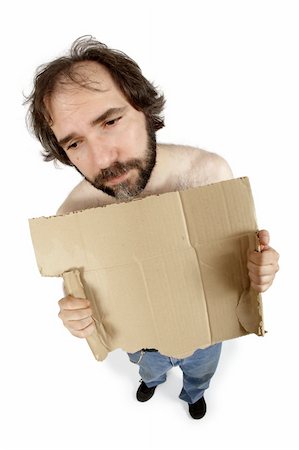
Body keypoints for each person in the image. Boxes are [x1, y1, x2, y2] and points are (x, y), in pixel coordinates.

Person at [25, 36, 279, 420]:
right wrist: (77, 316)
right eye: (75, 143)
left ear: (142, 106)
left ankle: (194, 395)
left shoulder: (208, 175)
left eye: (110, 121)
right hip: (144, 344)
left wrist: (260, 272)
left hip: (206, 334)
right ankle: (152, 382)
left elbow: (241, 273)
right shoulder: (73, 215)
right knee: (148, 369)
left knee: (200, 372)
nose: (102, 159)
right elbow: (82, 295)